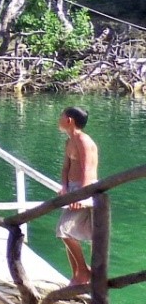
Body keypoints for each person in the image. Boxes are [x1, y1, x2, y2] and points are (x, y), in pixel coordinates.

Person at [56, 106, 99, 286]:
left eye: (61, 116)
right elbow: (66, 167)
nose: (59, 119)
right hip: (72, 190)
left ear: (69, 120)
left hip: (84, 190)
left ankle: (83, 271)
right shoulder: (69, 141)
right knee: (67, 232)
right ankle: (77, 274)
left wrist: (81, 197)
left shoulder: (83, 140)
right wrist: (64, 187)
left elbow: (87, 170)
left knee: (64, 230)